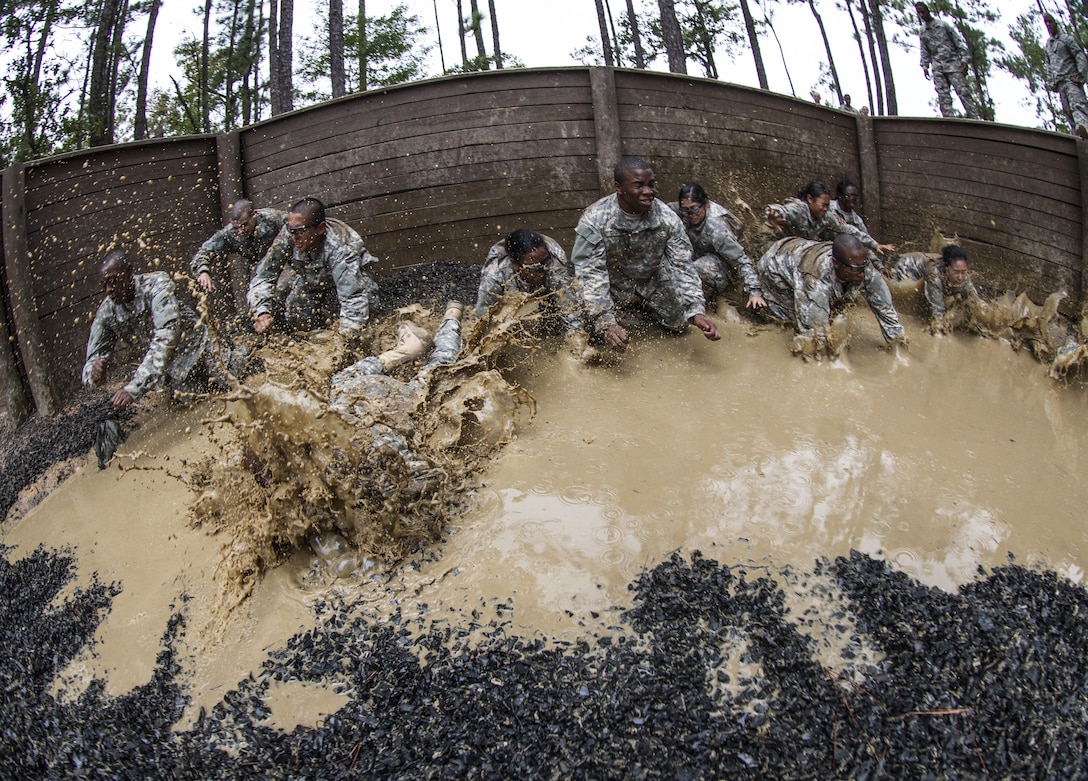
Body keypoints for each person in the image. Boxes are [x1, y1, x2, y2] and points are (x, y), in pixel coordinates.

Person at [570, 156, 719, 353]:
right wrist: (605, 322)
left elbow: (682, 266)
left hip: (653, 280)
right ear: (619, 187)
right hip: (612, 283)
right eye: (639, 185)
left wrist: (696, 310)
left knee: (679, 327)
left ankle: (642, 311)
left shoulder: (667, 218)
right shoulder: (594, 220)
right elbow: (590, 274)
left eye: (652, 184)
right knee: (596, 335)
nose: (649, 192)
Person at [83, 249, 225, 409]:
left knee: (237, 379)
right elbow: (92, 362)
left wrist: (134, 387)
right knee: (196, 407)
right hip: (175, 372)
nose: (109, 289)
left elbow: (166, 337)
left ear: (129, 272)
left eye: (113, 280)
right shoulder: (106, 313)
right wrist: (93, 374)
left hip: (202, 350)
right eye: (104, 285)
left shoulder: (157, 284)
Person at [248, 197, 379, 336]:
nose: (294, 237)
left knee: (365, 317)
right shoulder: (289, 235)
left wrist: (343, 342)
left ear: (320, 228)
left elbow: (353, 298)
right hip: (312, 280)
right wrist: (261, 312)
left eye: (300, 231)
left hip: (352, 281)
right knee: (295, 310)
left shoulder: (340, 247)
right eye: (291, 230)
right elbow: (263, 276)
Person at [756, 234, 907, 355]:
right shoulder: (815, 280)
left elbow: (887, 314)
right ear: (836, 263)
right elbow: (816, 337)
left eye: (863, 267)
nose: (861, 275)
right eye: (855, 270)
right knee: (793, 319)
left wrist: (899, 345)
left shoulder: (865, 271)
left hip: (804, 253)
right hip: (775, 266)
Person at [475, 229, 590, 351]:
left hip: (547, 293)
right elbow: (484, 319)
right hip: (512, 298)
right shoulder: (494, 275)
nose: (542, 271)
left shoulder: (554, 264)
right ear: (515, 264)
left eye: (545, 263)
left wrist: (578, 344)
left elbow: (570, 309)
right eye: (534, 268)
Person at [671, 183, 766, 311]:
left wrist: (755, 292)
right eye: (685, 210)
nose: (690, 214)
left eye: (694, 209)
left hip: (725, 266)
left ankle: (702, 303)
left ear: (706, 204)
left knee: (698, 268)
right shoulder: (682, 210)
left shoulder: (717, 228)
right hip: (699, 252)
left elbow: (741, 261)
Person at [190, 200, 287, 293]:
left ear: (254, 214)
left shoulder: (272, 218)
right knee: (257, 296)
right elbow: (205, 251)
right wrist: (202, 271)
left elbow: (297, 227)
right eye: (237, 228)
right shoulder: (230, 233)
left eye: (245, 225)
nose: (241, 231)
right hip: (259, 270)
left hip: (285, 263)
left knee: (284, 289)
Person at [891, 244, 981, 329]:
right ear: (946, 268)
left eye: (963, 272)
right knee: (905, 295)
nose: (960, 277)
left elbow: (976, 302)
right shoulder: (934, 273)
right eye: (956, 272)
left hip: (922, 265)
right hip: (907, 265)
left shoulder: (963, 276)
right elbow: (938, 310)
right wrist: (940, 327)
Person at [765, 181, 875, 249]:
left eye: (828, 206)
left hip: (794, 248)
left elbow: (848, 230)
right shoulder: (799, 209)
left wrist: (875, 245)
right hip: (772, 246)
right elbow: (778, 209)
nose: (826, 209)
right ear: (810, 199)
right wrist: (772, 216)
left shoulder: (826, 216)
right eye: (823, 205)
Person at [916, 1, 979, 120]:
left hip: (953, 65)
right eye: (919, 13)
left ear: (928, 11)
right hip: (938, 68)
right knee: (943, 96)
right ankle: (949, 122)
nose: (921, 15)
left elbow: (958, 42)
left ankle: (975, 119)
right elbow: (924, 50)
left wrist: (964, 60)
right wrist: (925, 66)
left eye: (923, 12)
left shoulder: (943, 26)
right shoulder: (923, 31)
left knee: (963, 92)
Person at [826, 179, 896, 271]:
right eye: (849, 196)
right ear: (839, 195)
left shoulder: (856, 221)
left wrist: (880, 267)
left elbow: (865, 244)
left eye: (856, 197)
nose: (853, 199)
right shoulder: (827, 207)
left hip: (840, 254)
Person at [1043, 12, 1088, 140]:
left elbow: (1079, 55)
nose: (1048, 25)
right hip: (1060, 84)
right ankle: (1077, 138)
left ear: (1055, 23)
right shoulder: (1048, 45)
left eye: (1050, 21)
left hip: (1071, 80)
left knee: (1078, 106)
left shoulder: (1066, 39)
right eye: (1046, 23)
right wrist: (1052, 82)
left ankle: (1084, 130)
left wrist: (1080, 76)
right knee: (1068, 112)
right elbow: (1048, 65)